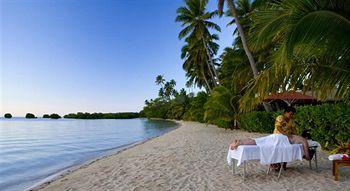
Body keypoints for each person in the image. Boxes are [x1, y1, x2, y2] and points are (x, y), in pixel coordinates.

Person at [229, 106, 311, 161]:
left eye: (292, 114)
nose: (291, 116)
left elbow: (293, 129)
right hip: (278, 137)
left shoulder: (291, 120)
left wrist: (294, 134)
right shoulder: (280, 117)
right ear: (285, 112)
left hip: (284, 137)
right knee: (259, 141)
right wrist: (286, 134)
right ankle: (307, 156)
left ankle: (240, 142)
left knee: (259, 142)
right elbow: (278, 127)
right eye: (290, 114)